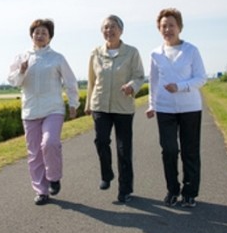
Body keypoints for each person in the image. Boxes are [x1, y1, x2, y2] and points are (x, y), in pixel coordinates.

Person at [8, 18, 79, 206]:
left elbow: (70, 82)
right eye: (37, 32)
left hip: (53, 109)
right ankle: (41, 190)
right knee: (34, 153)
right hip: (30, 110)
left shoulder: (57, 58)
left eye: (44, 33)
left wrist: (73, 103)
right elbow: (13, 81)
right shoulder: (22, 57)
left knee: (50, 143)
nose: (39, 35)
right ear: (31, 35)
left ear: (50, 37)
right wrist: (21, 71)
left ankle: (54, 177)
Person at [146, 8, 207, 208]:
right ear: (159, 29)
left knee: (190, 151)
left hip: (190, 108)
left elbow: (201, 78)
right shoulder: (155, 53)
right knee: (169, 150)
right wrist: (151, 105)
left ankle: (189, 192)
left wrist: (180, 87)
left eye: (171, 25)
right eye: (163, 26)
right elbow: (153, 82)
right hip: (165, 109)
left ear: (179, 27)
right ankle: (172, 190)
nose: (167, 29)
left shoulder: (191, 50)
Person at [85, 15, 145, 203]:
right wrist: (88, 105)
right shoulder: (95, 53)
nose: (109, 31)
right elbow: (91, 81)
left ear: (121, 30)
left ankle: (125, 188)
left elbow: (139, 76)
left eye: (113, 27)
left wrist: (132, 86)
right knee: (101, 141)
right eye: (105, 27)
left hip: (123, 106)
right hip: (100, 106)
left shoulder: (131, 52)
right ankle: (107, 174)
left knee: (123, 149)